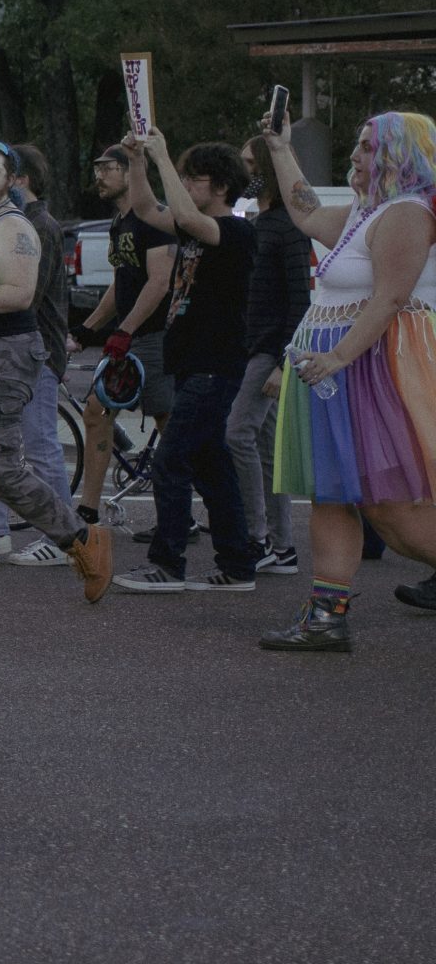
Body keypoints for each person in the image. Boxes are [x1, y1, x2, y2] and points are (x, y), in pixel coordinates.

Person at [254, 111, 436, 651]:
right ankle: (325, 617)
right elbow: (306, 214)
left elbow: (391, 298)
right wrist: (280, 148)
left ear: (396, 155)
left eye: (364, 148)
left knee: (389, 506)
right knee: (332, 494)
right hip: (338, 370)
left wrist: (337, 357)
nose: (354, 157)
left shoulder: (407, 213)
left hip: (374, 369)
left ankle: (326, 617)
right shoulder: (368, 211)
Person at [109, 132, 262, 594]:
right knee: (210, 464)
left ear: (218, 186)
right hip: (196, 363)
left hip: (216, 364)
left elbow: (190, 219)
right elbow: (146, 209)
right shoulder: (195, 226)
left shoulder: (234, 231)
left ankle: (168, 562)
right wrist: (138, 161)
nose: (187, 187)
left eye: (194, 179)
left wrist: (161, 157)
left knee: (171, 460)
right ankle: (237, 564)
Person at [0, 140, 113, 598]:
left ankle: (81, 537)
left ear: (12, 180)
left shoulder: (13, 228)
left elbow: (19, 293)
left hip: (7, 353)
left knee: (0, 467)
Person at [74, 145, 174, 524]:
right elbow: (122, 282)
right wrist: (88, 329)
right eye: (97, 168)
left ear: (132, 170)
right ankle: (88, 509)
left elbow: (160, 281)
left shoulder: (155, 219)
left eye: (107, 168)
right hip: (128, 338)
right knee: (96, 412)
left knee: (171, 427)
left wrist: (125, 331)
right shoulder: (119, 223)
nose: (99, 176)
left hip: (155, 337)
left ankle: (185, 513)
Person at [226, 130, 311, 574]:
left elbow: (301, 302)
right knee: (265, 448)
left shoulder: (289, 229)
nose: (245, 173)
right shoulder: (256, 224)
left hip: (270, 350)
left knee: (238, 432)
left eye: (251, 164)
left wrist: (283, 362)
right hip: (253, 347)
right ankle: (283, 547)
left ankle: (257, 538)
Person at [0, 141, 84, 565]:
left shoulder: (38, 225)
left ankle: (62, 536)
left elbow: (29, 294)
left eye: (2, 172)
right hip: (27, 349)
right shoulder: (20, 222)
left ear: (21, 179)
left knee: (39, 445)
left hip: (37, 351)